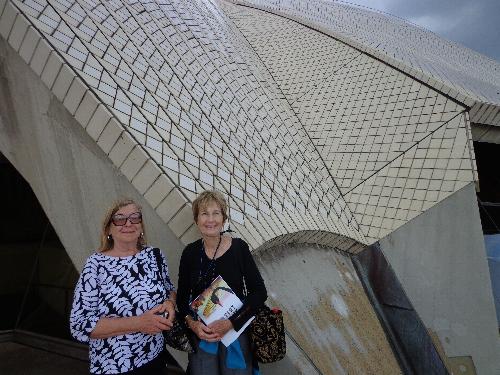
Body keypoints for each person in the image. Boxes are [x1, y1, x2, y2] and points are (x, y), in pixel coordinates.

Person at [70, 199, 176, 374]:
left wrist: (170, 303)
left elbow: (169, 290)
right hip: (114, 366)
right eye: (120, 219)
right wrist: (139, 323)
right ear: (108, 229)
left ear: (141, 226)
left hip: (155, 357)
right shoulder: (95, 265)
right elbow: (80, 324)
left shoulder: (154, 256)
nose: (128, 223)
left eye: (135, 218)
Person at [177, 190, 267, 374]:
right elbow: (181, 298)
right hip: (203, 336)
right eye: (204, 214)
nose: (210, 220)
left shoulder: (239, 248)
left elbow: (259, 292)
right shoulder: (190, 253)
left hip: (235, 333)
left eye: (216, 213)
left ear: (224, 218)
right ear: (196, 220)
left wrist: (231, 323)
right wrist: (193, 325)